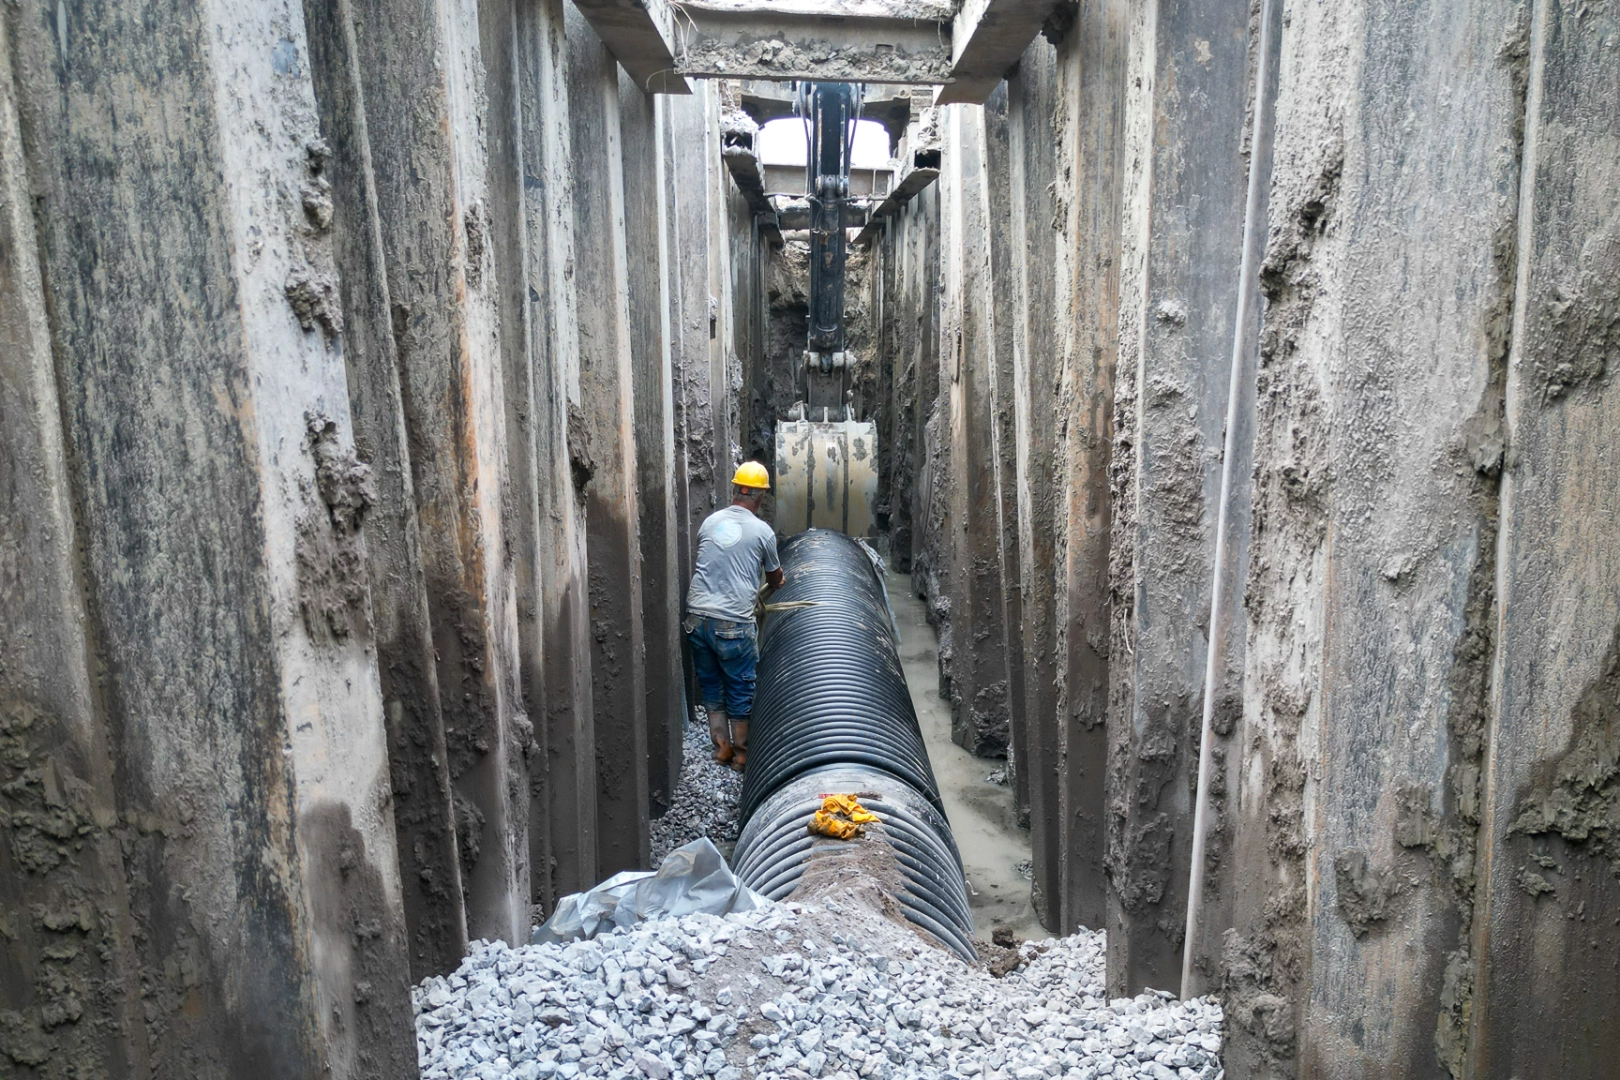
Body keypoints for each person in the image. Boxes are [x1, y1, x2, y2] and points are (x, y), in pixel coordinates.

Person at [684, 461, 784, 772]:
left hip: (696, 618)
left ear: (736, 490)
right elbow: (775, 578)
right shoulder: (762, 531)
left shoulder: (710, 523)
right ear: (760, 497)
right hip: (733, 624)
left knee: (712, 685)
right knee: (741, 687)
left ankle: (721, 750)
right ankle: (742, 757)